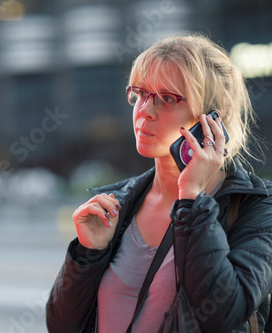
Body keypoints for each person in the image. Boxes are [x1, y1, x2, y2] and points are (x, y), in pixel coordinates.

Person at [46, 34, 272, 332]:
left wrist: (191, 199)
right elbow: (62, 327)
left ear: (212, 120)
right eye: (139, 93)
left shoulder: (256, 208)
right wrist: (87, 255)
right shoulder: (119, 203)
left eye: (167, 98)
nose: (144, 111)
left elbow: (223, 313)